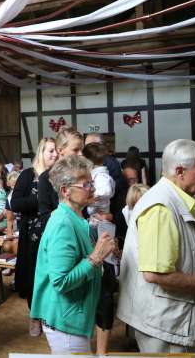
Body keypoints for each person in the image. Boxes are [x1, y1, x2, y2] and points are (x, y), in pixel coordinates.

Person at [118, 139, 195, 354]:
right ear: (180, 171)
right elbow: (156, 274)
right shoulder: (161, 208)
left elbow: (184, 256)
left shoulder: (178, 199)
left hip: (174, 319)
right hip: (163, 324)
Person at [30, 155, 116, 354]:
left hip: (73, 314)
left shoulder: (76, 217)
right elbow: (61, 281)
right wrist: (95, 257)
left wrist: (104, 250)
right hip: (65, 321)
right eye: (86, 184)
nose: (92, 189)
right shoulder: (63, 224)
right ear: (65, 191)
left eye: (92, 183)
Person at [11, 137, 57, 337]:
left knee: (52, 275)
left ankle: (49, 316)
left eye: (57, 151)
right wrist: (41, 198)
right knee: (33, 277)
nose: (55, 155)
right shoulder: (28, 175)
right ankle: (34, 316)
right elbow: (15, 204)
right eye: (50, 151)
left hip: (54, 232)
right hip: (32, 234)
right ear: (41, 153)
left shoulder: (59, 176)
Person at [82, 142, 117, 355]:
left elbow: (105, 191)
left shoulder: (101, 176)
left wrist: (89, 197)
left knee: (103, 283)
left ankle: (101, 348)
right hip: (92, 224)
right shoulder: (95, 173)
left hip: (99, 227)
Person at [37, 127, 84, 222]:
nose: (81, 154)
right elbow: (44, 215)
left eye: (81, 150)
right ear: (60, 150)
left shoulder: (81, 174)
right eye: (75, 150)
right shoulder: (46, 178)